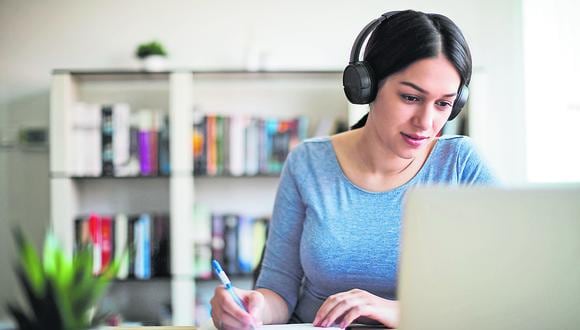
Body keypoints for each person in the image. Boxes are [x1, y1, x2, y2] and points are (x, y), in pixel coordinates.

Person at [210, 9, 496, 329]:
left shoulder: (460, 165)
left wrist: (398, 311)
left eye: (443, 103)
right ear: (366, 87)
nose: (426, 123)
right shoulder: (307, 163)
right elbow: (278, 291)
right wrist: (250, 309)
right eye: (410, 97)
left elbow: (505, 288)